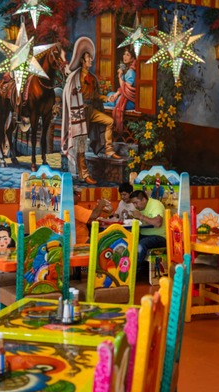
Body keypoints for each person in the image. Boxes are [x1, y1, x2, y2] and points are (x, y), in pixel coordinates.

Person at [62, 37, 122, 185]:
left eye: (90, 58)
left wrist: (106, 98)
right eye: (88, 58)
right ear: (83, 61)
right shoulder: (75, 78)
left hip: (90, 110)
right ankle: (84, 173)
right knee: (81, 142)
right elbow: (69, 95)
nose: (91, 60)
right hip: (79, 112)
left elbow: (95, 96)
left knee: (109, 121)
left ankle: (108, 149)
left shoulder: (92, 78)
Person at [129, 190, 165, 280]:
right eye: (133, 204)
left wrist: (141, 216)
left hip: (159, 236)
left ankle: (133, 273)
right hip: (144, 235)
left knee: (141, 245)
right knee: (128, 240)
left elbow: (158, 223)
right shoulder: (140, 209)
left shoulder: (156, 205)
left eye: (136, 203)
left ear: (144, 200)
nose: (135, 206)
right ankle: (125, 269)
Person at [103, 46, 137, 132]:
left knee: (117, 101)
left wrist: (119, 76)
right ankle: (106, 103)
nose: (124, 57)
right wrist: (116, 94)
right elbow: (122, 89)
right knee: (110, 94)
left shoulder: (131, 72)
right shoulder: (127, 69)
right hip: (125, 96)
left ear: (132, 58)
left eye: (128, 55)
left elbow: (126, 89)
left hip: (130, 100)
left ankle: (104, 105)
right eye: (124, 54)